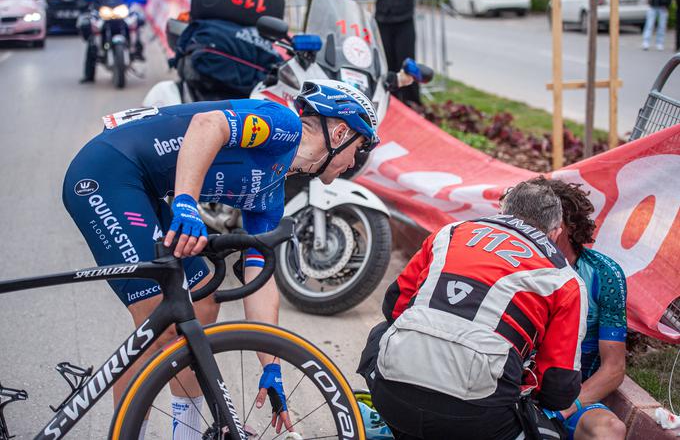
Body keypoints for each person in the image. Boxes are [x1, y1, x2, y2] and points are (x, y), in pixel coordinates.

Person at [62, 79, 379, 439]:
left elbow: (259, 278)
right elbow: (208, 125)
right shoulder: (283, 125)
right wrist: (185, 203)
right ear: (339, 132)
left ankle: (189, 434)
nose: (355, 161)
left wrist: (271, 365)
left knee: (201, 302)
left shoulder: (270, 194)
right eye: (360, 148)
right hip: (106, 174)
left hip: (141, 186)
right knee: (157, 320)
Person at [357, 180, 588, 439]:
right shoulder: (565, 279)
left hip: (393, 397)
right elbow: (558, 388)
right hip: (478, 421)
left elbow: (395, 306)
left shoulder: (450, 233)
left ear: (503, 212)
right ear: (556, 233)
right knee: (548, 430)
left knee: (382, 332)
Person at [530, 177, 627, 440]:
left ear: (567, 226)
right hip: (514, 392)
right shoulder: (518, 263)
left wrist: (560, 411)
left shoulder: (603, 274)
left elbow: (614, 367)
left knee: (610, 430)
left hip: (570, 398)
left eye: (542, 220)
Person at [374, 0, 421, 105]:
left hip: (403, 20)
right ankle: (390, 102)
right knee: (386, 64)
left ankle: (411, 103)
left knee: (407, 64)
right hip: (383, 18)